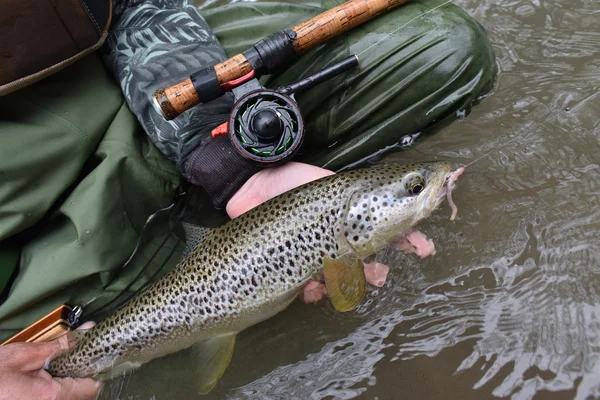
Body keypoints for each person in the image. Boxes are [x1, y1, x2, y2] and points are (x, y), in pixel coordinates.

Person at [0, 0, 497, 398]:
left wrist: (227, 160)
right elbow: (347, 300)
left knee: (443, 46)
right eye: (413, 189)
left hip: (118, 89)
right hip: (28, 283)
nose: (428, 187)